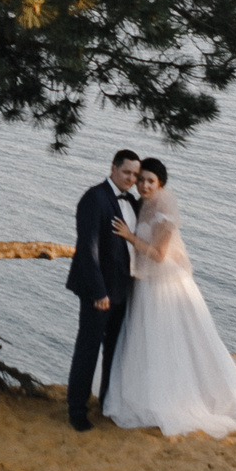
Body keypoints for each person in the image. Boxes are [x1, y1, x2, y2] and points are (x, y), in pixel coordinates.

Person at [102, 158, 236, 439]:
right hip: (144, 283)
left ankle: (174, 395)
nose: (144, 185)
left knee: (169, 340)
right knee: (148, 340)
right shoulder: (141, 204)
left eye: (150, 180)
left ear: (160, 183)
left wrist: (130, 237)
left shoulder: (164, 208)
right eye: (141, 179)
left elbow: (159, 254)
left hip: (165, 285)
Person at [64, 148, 141, 431]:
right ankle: (76, 409)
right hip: (98, 292)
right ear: (113, 169)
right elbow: (88, 249)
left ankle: (107, 401)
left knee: (114, 349)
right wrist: (98, 293)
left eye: (134, 175)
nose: (130, 179)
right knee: (88, 348)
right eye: (126, 172)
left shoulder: (132, 202)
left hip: (123, 288)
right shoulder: (94, 198)